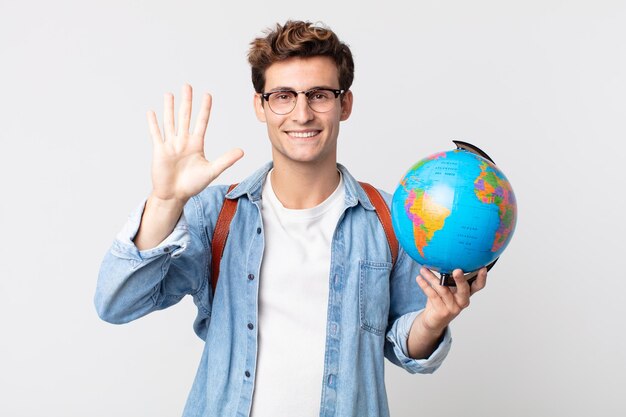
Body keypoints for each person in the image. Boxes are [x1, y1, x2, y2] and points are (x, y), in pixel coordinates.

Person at [95, 20, 488, 417]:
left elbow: (408, 347)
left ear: (344, 104)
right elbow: (117, 303)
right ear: (260, 105)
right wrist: (165, 201)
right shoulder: (216, 215)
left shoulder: (391, 220)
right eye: (283, 96)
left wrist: (434, 320)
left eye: (319, 95)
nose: (302, 113)